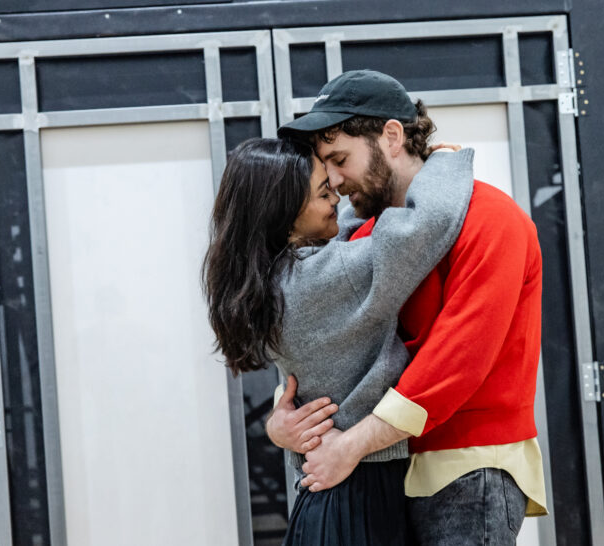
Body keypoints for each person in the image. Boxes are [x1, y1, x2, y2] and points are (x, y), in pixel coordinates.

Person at [270, 69, 548, 545]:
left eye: (340, 159)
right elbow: (333, 348)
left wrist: (351, 445)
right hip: (386, 467)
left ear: (392, 136)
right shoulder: (364, 236)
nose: (333, 182)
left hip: (467, 466)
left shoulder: (493, 219)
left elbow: (457, 361)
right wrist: (284, 418)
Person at [203, 135, 475, 545]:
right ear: (286, 214)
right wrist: (446, 161)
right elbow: (427, 224)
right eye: (324, 191)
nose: (337, 198)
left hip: (337, 497)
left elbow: (345, 231)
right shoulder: (320, 280)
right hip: (359, 496)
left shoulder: (272, 280)